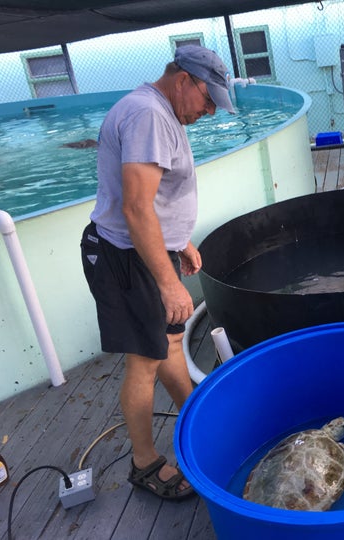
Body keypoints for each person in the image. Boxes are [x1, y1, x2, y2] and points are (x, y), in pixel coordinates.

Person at [80, 45, 235, 500]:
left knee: (167, 342)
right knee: (145, 360)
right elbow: (133, 207)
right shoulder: (149, 115)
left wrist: (178, 241)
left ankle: (194, 414)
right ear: (184, 79)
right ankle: (145, 464)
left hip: (146, 252)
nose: (209, 111)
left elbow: (154, 197)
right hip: (126, 259)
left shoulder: (160, 110)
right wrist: (168, 283)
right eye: (208, 100)